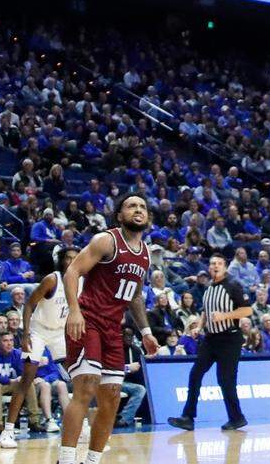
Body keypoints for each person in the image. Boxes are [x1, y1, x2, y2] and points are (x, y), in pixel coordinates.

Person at [60, 195, 159, 464]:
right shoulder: (106, 240)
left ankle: (92, 460)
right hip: (89, 320)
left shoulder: (146, 254)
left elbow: (135, 296)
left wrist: (146, 332)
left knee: (112, 397)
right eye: (132, 206)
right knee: (86, 386)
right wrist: (74, 311)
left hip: (113, 329)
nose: (138, 209)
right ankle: (66, 459)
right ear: (119, 215)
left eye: (143, 206)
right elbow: (72, 272)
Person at [0, 248, 81, 449]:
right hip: (38, 331)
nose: (71, 261)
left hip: (60, 332)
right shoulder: (52, 280)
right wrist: (25, 334)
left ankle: (82, 427)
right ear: (61, 261)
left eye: (75, 258)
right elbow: (28, 306)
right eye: (68, 258)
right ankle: (8, 431)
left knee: (81, 378)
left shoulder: (82, 281)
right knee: (27, 378)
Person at [167, 252, 254, 431]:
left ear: (225, 266)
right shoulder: (208, 288)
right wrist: (200, 326)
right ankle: (188, 417)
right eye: (212, 263)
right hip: (211, 339)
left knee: (225, 380)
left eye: (219, 264)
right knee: (195, 373)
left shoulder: (233, 286)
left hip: (230, 339)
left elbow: (246, 311)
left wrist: (225, 315)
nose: (215, 266)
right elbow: (206, 312)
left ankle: (237, 417)